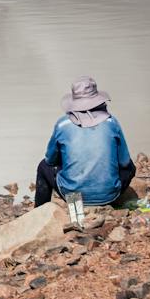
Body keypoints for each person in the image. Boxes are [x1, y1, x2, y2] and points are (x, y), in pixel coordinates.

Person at [35, 77, 137, 214]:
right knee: (130, 166)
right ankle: (106, 199)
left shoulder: (62, 124)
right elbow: (124, 162)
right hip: (109, 195)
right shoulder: (112, 122)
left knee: (43, 166)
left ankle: (40, 213)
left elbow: (50, 160)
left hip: (72, 196)